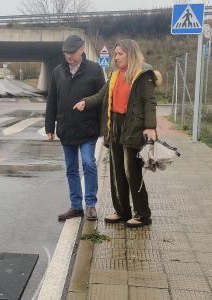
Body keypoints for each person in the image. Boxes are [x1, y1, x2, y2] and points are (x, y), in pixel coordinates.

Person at [73, 39, 162, 228]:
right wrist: (85, 102)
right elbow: (100, 96)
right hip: (115, 125)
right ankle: (122, 211)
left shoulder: (142, 75)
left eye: (120, 54)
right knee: (116, 172)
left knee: (132, 171)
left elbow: (149, 102)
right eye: (116, 54)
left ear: (130, 54)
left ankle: (142, 214)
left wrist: (150, 127)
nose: (117, 57)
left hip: (133, 127)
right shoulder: (114, 75)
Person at [45, 35, 106, 222]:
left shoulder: (95, 70)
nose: (69, 56)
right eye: (66, 53)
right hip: (66, 128)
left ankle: (90, 205)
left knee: (88, 163)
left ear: (81, 50)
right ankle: (76, 206)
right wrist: (50, 127)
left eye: (72, 53)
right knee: (71, 168)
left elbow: (103, 99)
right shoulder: (57, 72)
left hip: (87, 129)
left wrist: (104, 129)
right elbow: (52, 100)